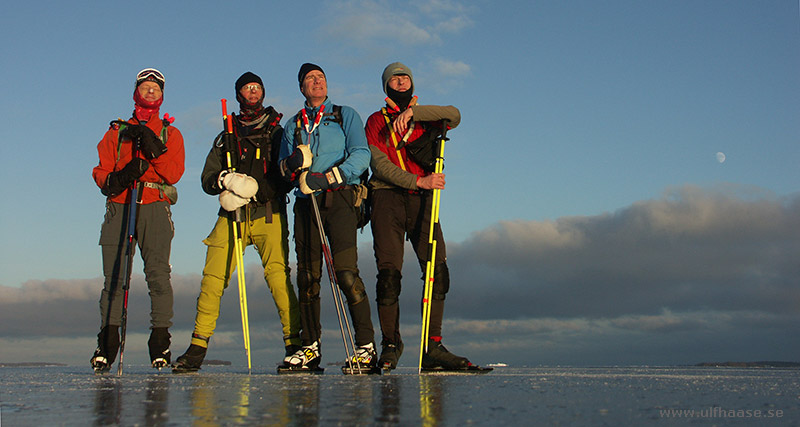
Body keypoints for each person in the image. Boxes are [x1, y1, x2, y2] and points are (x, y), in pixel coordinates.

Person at [172, 72, 302, 372]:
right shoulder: (225, 135)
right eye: (247, 88)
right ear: (239, 94)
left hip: (269, 213)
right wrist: (225, 180)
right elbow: (207, 178)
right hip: (230, 216)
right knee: (212, 279)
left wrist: (259, 191)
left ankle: (294, 344)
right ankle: (198, 345)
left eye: (257, 87)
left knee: (279, 277)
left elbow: (286, 175)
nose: (252, 92)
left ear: (263, 93)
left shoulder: (278, 132)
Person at [364, 62, 474, 370]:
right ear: (386, 85)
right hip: (387, 199)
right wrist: (418, 181)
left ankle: (432, 347)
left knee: (438, 270)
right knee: (388, 275)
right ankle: (391, 344)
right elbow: (378, 164)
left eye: (405, 77)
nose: (400, 82)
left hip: (424, 202)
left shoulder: (429, 117)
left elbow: (456, 114)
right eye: (394, 78)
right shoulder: (375, 121)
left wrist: (415, 113)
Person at [278, 63, 376, 371]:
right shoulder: (293, 124)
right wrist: (293, 164)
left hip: (341, 198)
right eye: (309, 79)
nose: (316, 82)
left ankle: (365, 345)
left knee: (345, 272)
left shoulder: (345, 115)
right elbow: (282, 170)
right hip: (306, 202)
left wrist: (331, 177)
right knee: (308, 276)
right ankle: (310, 346)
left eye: (320, 78)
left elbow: (361, 154)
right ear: (302, 88)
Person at [91, 68, 185, 371]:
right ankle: (107, 343)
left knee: (158, 275)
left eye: (156, 89)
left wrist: (152, 146)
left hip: (154, 205)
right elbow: (101, 171)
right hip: (121, 204)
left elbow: (173, 173)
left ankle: (160, 343)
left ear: (162, 95)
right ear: (136, 92)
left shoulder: (171, 133)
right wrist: (117, 178)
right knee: (114, 278)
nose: (151, 92)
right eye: (145, 87)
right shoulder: (117, 132)